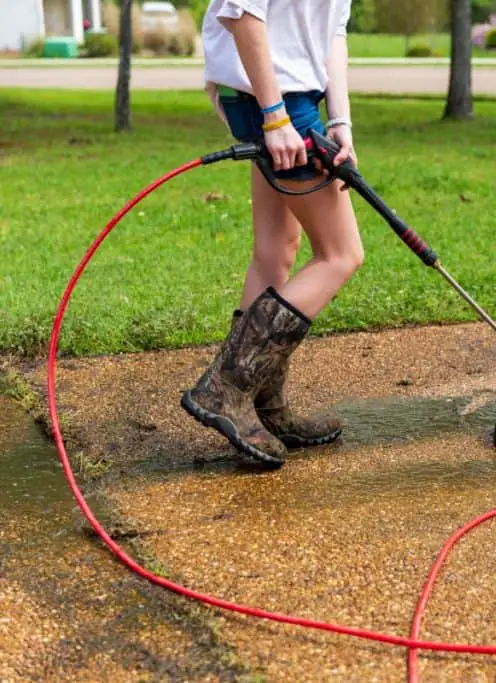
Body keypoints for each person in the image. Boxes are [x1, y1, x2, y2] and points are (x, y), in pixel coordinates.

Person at [180, 0, 363, 469]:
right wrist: (276, 116)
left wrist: (341, 122)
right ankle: (229, 387)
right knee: (340, 254)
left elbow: (332, 31)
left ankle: (265, 406)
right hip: (275, 99)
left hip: (282, 98)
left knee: (275, 251)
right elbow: (240, 12)